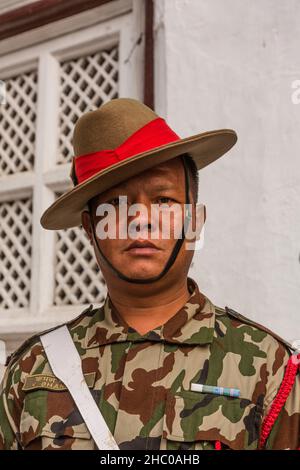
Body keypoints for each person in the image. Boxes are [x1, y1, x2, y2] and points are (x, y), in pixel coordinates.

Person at [0, 98, 299, 450]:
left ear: (195, 222)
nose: (141, 219)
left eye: (163, 201)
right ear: (90, 227)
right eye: (117, 204)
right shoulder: (34, 369)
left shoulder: (271, 368)